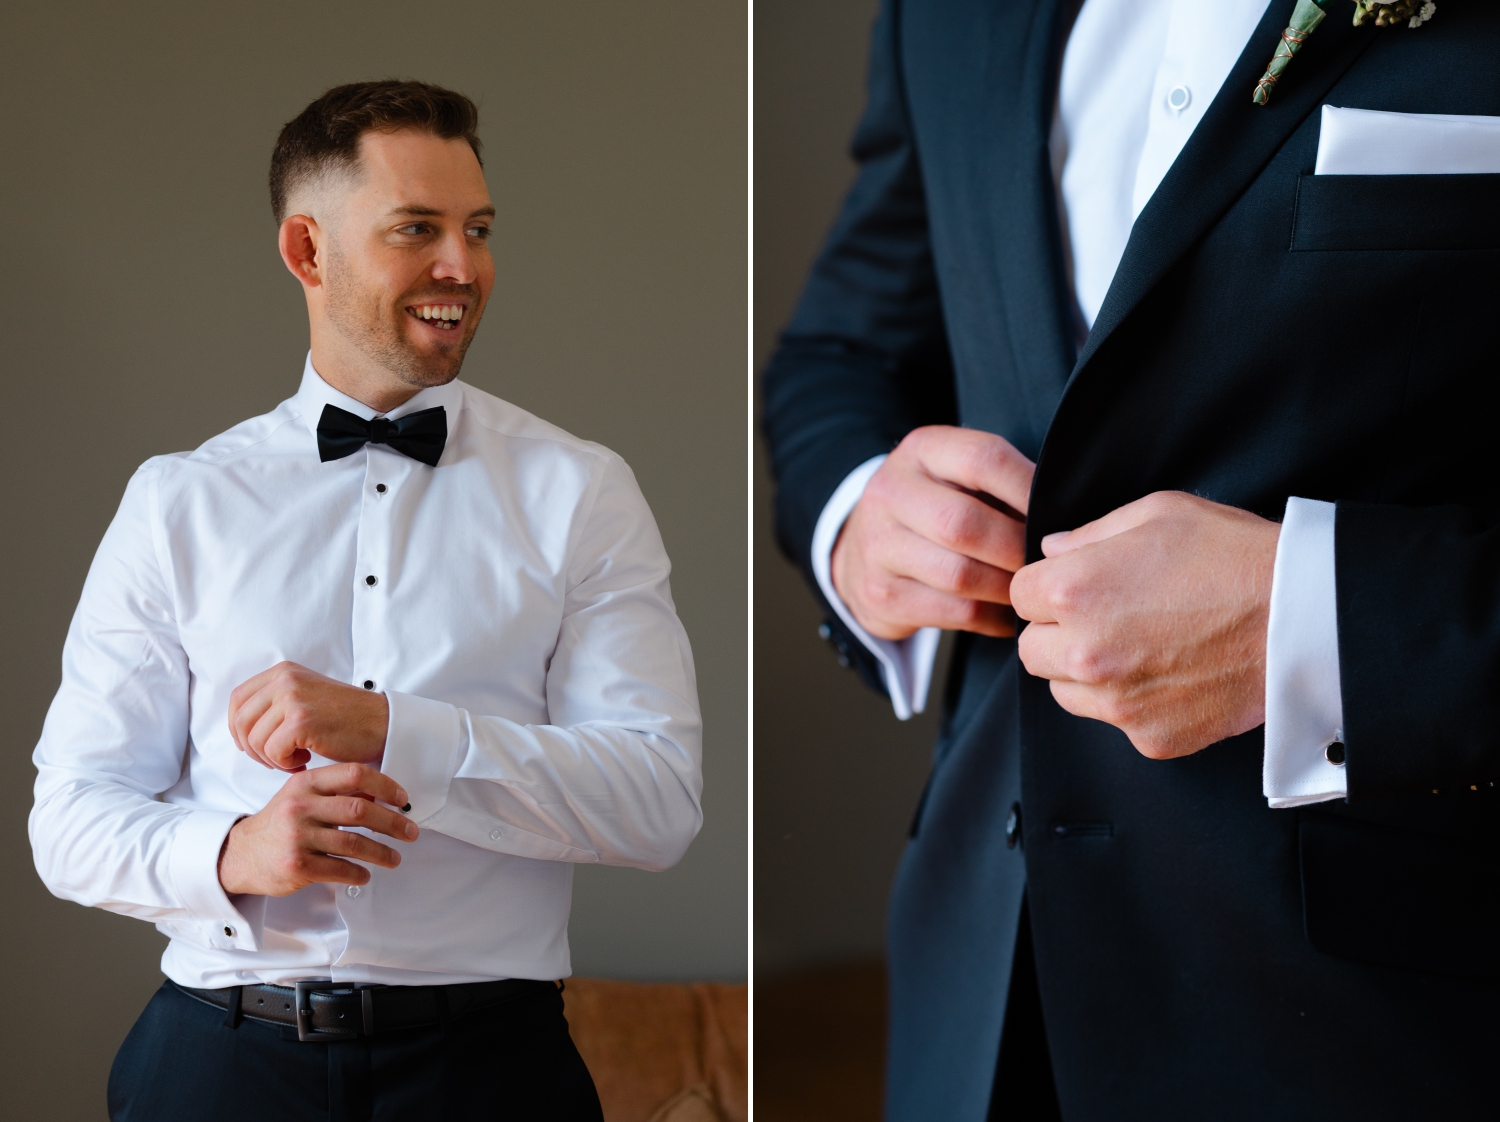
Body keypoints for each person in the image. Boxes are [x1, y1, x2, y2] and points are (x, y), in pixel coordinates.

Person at [763, 1, 1500, 1119]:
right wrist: (861, 512)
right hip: (980, 1002)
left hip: (1399, 1019)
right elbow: (845, 346)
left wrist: (1319, 624)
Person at [31, 79, 703, 1121]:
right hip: (217, 1067)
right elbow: (69, 819)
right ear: (307, 252)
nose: (462, 267)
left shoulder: (582, 490)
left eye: (477, 229)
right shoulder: (180, 502)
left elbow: (659, 802)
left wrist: (399, 733)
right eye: (416, 229)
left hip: (490, 1072)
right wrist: (229, 852)